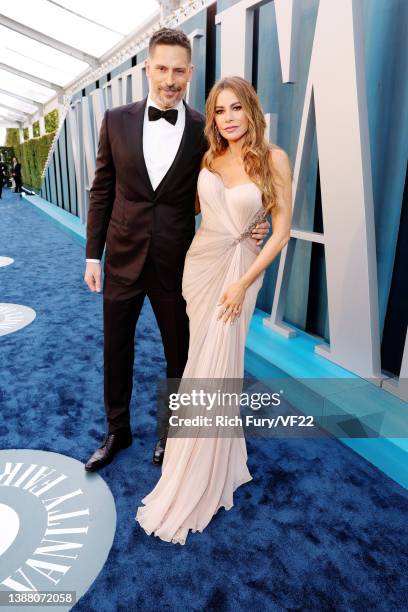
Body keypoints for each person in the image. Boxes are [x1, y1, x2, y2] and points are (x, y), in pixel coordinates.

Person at [83, 29, 269, 471]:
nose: (170, 79)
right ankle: (117, 431)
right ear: (147, 68)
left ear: (190, 73)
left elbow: (235, 179)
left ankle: (171, 435)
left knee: (179, 354)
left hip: (181, 263)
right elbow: (101, 191)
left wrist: (254, 224)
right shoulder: (115, 119)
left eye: (179, 70)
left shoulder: (207, 129)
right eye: (162, 68)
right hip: (123, 259)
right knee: (117, 348)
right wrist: (94, 255)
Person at [135, 76, 293, 544]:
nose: (227, 119)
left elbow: (281, 230)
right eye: (220, 111)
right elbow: (201, 215)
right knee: (198, 365)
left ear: (251, 110)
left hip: (238, 274)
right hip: (200, 268)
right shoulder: (209, 157)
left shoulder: (274, 159)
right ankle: (212, 455)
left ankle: (202, 471)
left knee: (217, 367)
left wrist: (244, 282)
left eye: (235, 109)